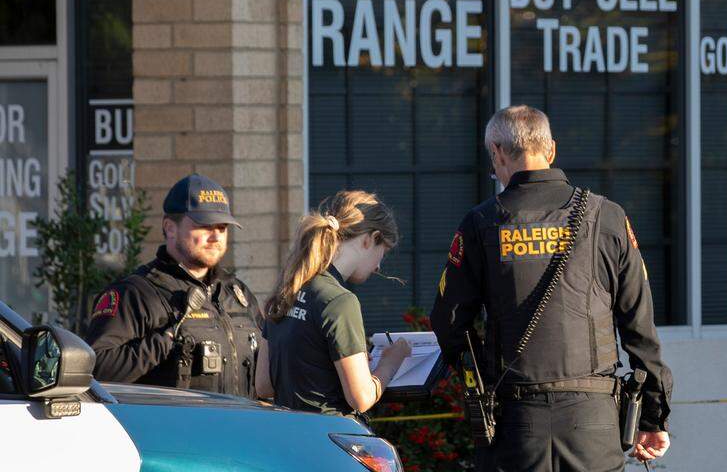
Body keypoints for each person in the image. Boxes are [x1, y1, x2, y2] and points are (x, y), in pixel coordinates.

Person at [431, 105, 673, 471]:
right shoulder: (607, 216)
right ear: (551, 150)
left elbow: (449, 323)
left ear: (497, 152)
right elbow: (639, 326)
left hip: (515, 422)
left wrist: (483, 381)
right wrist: (653, 416)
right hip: (594, 421)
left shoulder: (481, 223)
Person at [85, 173, 262, 398]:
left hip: (242, 426)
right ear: (170, 228)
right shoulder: (136, 294)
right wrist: (165, 341)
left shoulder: (236, 293)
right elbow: (97, 368)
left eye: (222, 227)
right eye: (205, 226)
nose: (216, 237)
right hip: (172, 429)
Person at [256, 190, 411, 417]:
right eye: (383, 252)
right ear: (370, 239)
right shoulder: (340, 301)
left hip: (288, 435)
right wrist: (391, 361)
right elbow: (361, 398)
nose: (378, 266)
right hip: (330, 438)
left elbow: (264, 386)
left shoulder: (288, 289)